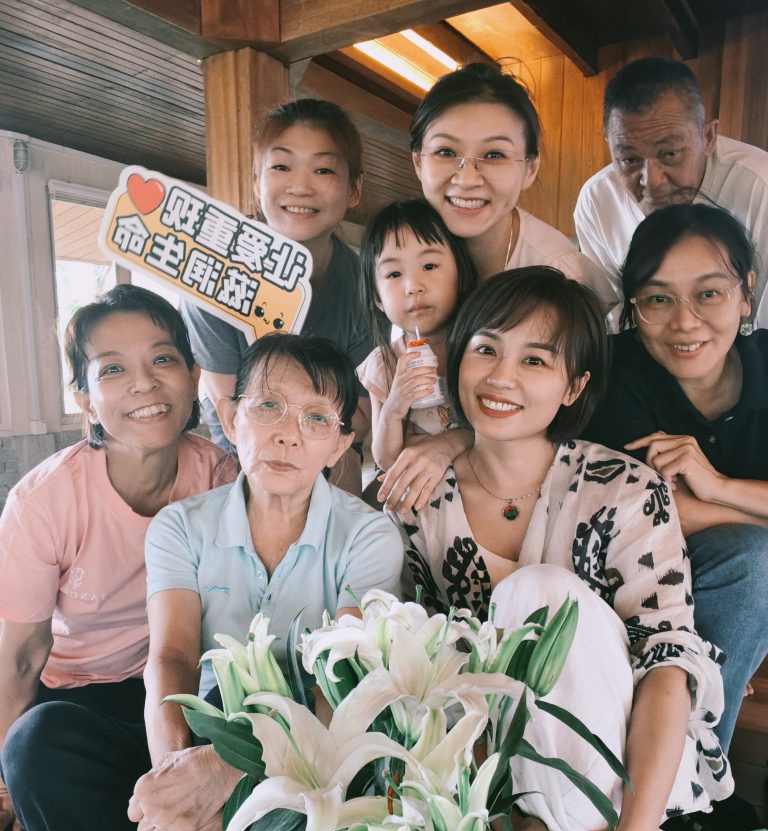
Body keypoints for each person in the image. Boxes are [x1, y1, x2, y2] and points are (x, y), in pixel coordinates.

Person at [396, 266, 767, 831]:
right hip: (490, 768)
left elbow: (667, 669)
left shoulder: (622, 488)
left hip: (625, 754)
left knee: (541, 599)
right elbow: (429, 683)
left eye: (535, 359)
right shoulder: (419, 500)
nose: (502, 376)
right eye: (486, 349)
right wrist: (506, 819)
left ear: (573, 386)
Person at [3, 333, 404, 831]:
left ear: (342, 443)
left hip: (307, 765)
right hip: (200, 736)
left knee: (282, 746)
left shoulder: (368, 536)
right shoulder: (181, 526)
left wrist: (223, 776)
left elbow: (333, 694)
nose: (287, 433)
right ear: (230, 414)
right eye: (268, 406)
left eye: (315, 418)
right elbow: (170, 660)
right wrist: (188, 808)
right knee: (36, 741)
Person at [0, 284, 232, 831]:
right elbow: (22, 657)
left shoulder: (219, 477)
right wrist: (4, 782)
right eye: (112, 369)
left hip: (179, 683)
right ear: (84, 398)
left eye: (162, 359)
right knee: (39, 754)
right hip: (75, 693)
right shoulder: (45, 501)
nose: (144, 383)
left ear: (194, 376)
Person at [585, 203, 768, 831]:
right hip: (619, 568)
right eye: (658, 299)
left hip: (722, 571)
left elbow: (693, 502)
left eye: (709, 293)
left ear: (747, 292)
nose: (685, 322)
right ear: (633, 308)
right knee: (754, 556)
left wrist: (715, 487)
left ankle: (691, 771)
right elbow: (661, 513)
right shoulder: (617, 372)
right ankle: (683, 775)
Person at [181, 98, 371, 494]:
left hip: (332, 468)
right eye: (281, 167)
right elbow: (232, 414)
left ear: (354, 189)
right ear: (257, 183)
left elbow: (362, 414)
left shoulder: (364, 284)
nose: (300, 186)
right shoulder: (216, 278)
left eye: (323, 169)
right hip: (242, 471)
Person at [574, 56, 768, 328]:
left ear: (708, 137)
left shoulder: (760, 186)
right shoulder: (597, 200)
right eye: (630, 159)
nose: (652, 182)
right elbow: (613, 317)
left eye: (670, 153)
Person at [409, 62, 615, 303]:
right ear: (418, 162)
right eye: (445, 152)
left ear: (530, 169)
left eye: (494, 155)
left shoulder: (558, 275)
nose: (467, 180)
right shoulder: (400, 250)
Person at [357, 197, 477, 512]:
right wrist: (394, 408)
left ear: (461, 273)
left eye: (429, 266)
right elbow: (384, 460)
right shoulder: (385, 363)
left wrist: (452, 441)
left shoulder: (481, 350)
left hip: (476, 493)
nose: (413, 286)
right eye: (394, 274)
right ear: (377, 297)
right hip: (418, 505)